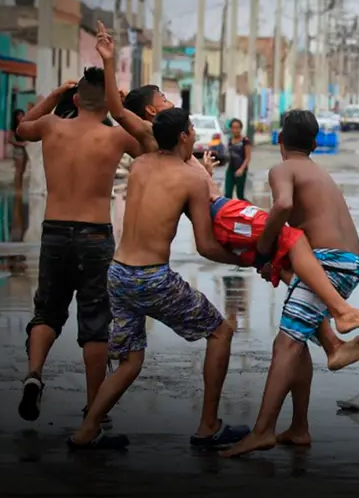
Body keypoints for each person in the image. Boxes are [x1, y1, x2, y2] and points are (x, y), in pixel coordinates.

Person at [113, 63, 359, 371]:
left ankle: (332, 343)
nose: (169, 100)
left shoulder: (169, 147)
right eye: (162, 96)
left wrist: (206, 175)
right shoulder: (155, 135)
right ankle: (341, 310)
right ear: (149, 112)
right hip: (223, 212)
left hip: (221, 209)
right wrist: (111, 72)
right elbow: (120, 115)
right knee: (291, 239)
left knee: (286, 264)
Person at [69, 108, 250, 450]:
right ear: (183, 136)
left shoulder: (140, 164)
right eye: (192, 129)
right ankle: (208, 426)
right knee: (220, 332)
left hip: (119, 273)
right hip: (151, 278)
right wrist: (248, 260)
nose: (196, 133)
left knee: (130, 361)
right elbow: (207, 246)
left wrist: (202, 175)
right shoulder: (191, 178)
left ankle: (87, 430)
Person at [221, 110, 359, 458]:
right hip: (344, 262)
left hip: (328, 263)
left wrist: (264, 247)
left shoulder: (283, 168)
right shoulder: (318, 172)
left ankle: (262, 431)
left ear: (280, 141)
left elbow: (282, 204)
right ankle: (299, 427)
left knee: (285, 345)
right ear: (315, 144)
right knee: (297, 339)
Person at [14, 70, 143, 427]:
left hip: (54, 230)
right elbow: (150, 142)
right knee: (96, 321)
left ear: (73, 99)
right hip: (94, 236)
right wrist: (121, 103)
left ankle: (34, 375)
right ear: (106, 102)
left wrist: (56, 93)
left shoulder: (50, 127)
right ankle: (93, 410)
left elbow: (22, 127)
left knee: (47, 311)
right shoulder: (115, 136)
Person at [225, 118, 251, 200]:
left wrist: (241, 169)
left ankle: (250, 210)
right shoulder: (230, 140)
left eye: (237, 128)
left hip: (241, 171)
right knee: (227, 194)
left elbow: (248, 157)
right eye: (233, 128)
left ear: (240, 128)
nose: (235, 130)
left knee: (240, 196)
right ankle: (228, 212)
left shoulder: (245, 140)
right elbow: (229, 155)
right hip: (230, 170)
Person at [9, 108, 28, 192]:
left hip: (25, 149)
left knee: (23, 170)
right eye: (20, 115)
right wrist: (20, 144)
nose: (22, 116)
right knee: (18, 170)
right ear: (16, 116)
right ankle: (17, 188)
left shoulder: (24, 125)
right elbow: (10, 140)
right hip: (18, 150)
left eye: (22, 114)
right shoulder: (14, 127)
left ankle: (19, 186)